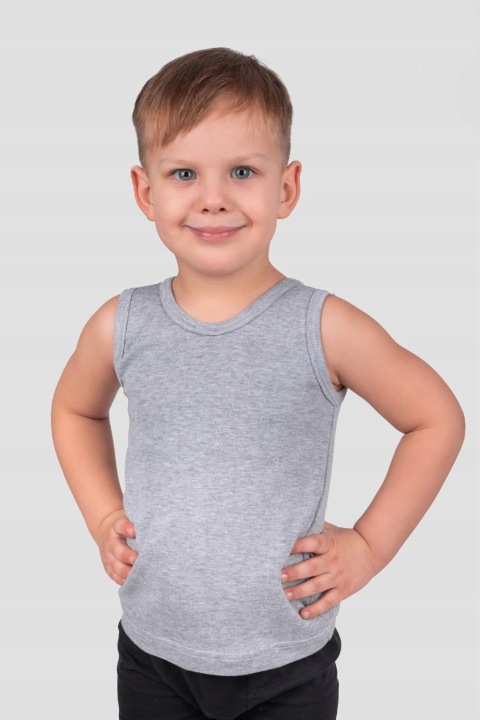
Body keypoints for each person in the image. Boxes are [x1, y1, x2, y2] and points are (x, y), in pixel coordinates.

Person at [51, 47, 465, 720]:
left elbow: (436, 418)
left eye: (242, 171)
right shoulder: (121, 325)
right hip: (153, 654)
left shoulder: (324, 327)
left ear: (286, 188)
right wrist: (103, 516)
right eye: (184, 173)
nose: (213, 197)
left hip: (288, 665)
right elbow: (75, 410)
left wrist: (368, 546)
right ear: (146, 192)